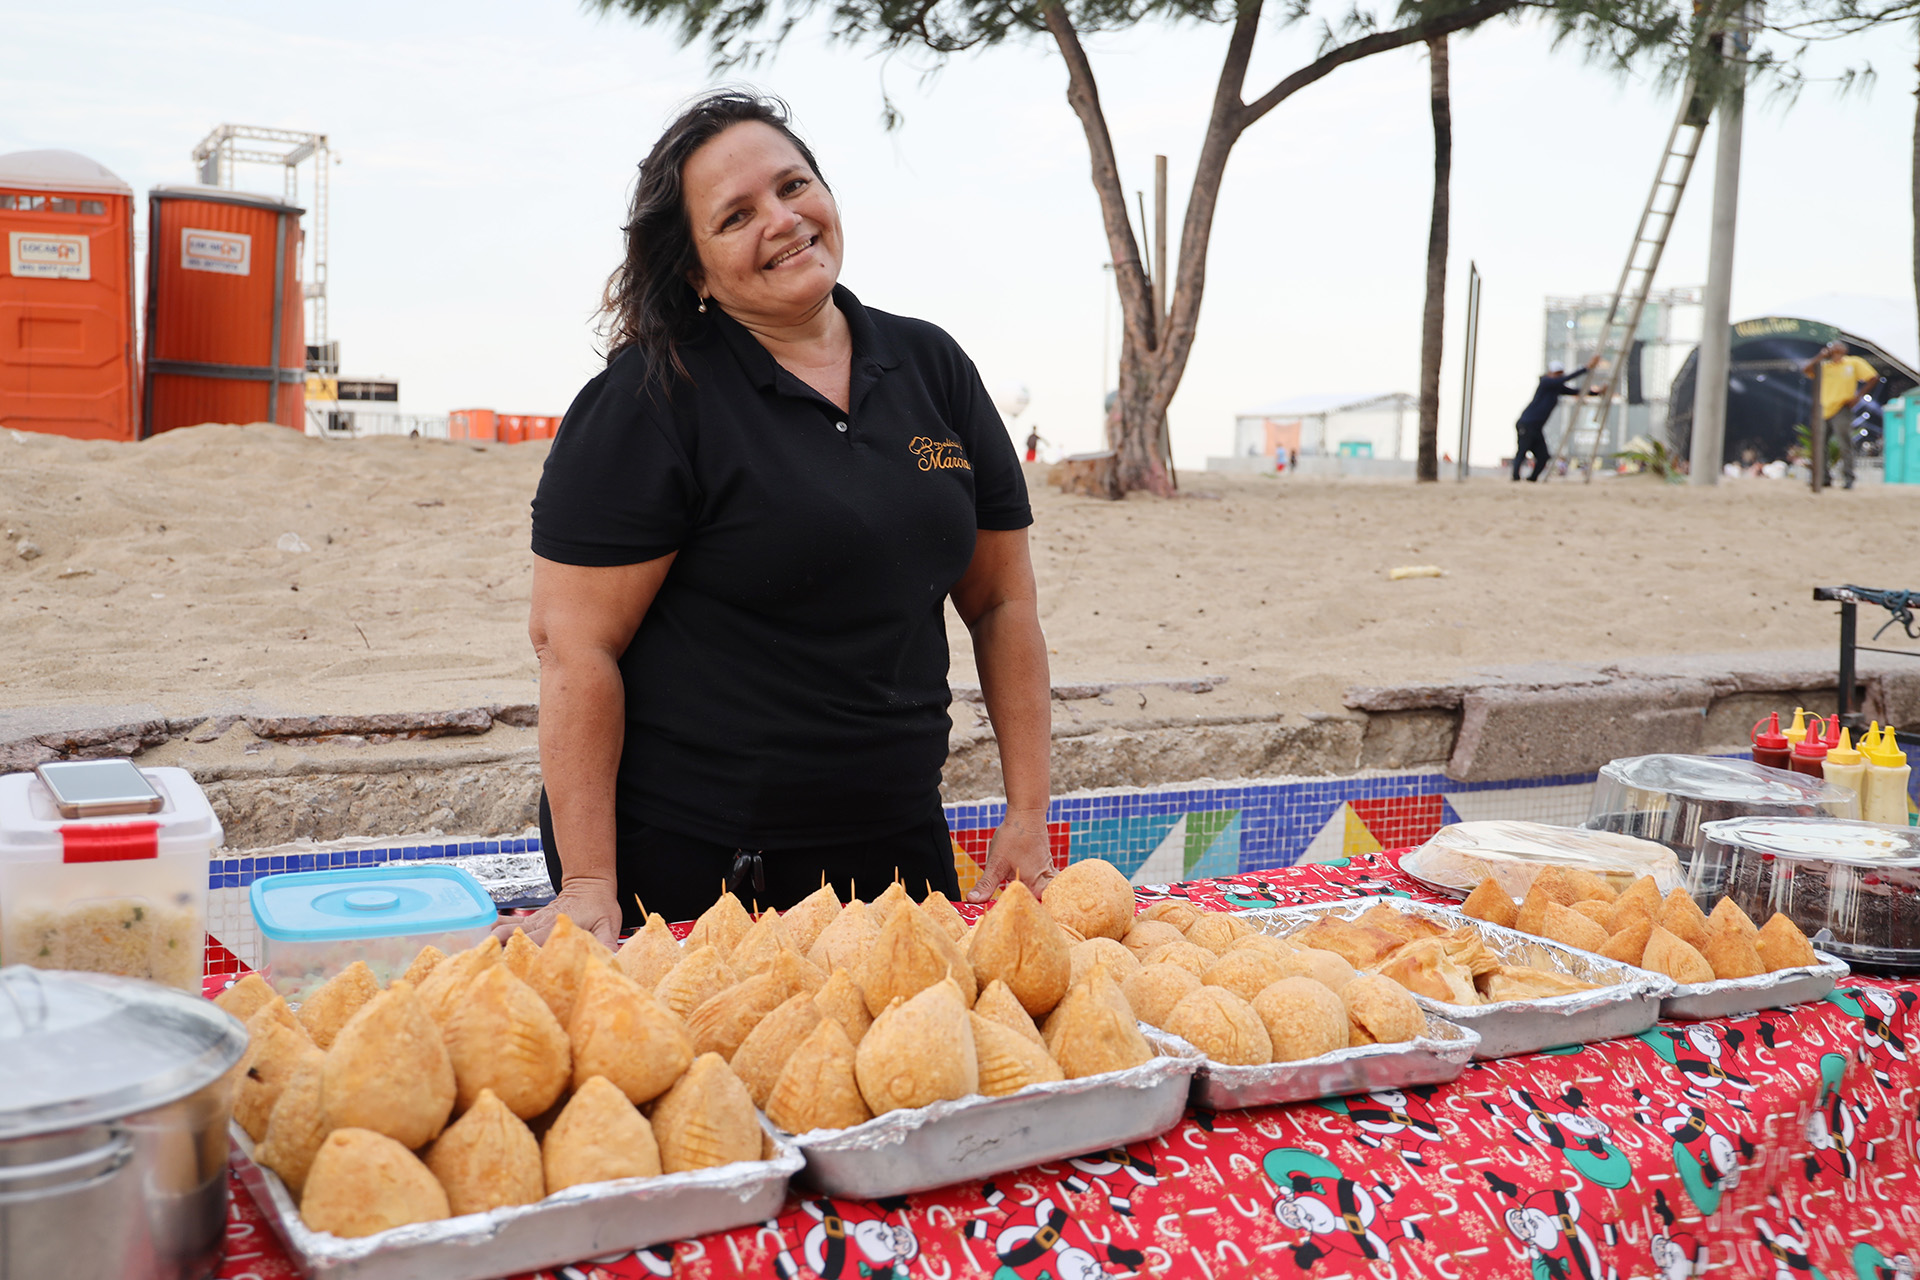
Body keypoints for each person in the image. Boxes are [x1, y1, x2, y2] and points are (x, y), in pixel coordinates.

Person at [509, 93, 1053, 946]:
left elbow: (1001, 604)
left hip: (897, 842)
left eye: (794, 185)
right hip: (703, 865)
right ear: (694, 270)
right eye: (735, 216)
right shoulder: (650, 402)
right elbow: (574, 645)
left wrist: (1027, 812)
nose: (783, 220)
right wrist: (588, 886)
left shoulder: (932, 366)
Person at [1800, 340, 1878, 489]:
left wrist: (1858, 397)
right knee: (1820, 444)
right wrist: (1820, 356)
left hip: (1842, 407)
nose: (1834, 349)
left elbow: (1873, 377)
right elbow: (1806, 370)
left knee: (1845, 444)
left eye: (1837, 347)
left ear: (1844, 349)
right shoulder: (1824, 366)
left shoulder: (1853, 362)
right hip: (1823, 408)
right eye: (1831, 347)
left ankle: (1848, 478)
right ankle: (1823, 477)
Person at [1511, 356, 1602, 482]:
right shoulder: (1546, 382)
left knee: (1543, 456)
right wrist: (1586, 368)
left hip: (1537, 427)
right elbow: (1565, 379)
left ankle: (1532, 479)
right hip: (1527, 424)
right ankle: (1515, 477)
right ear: (1551, 373)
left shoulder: (1556, 388)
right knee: (1522, 451)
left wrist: (1597, 393)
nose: (1559, 376)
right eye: (1557, 374)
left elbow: (1576, 391)